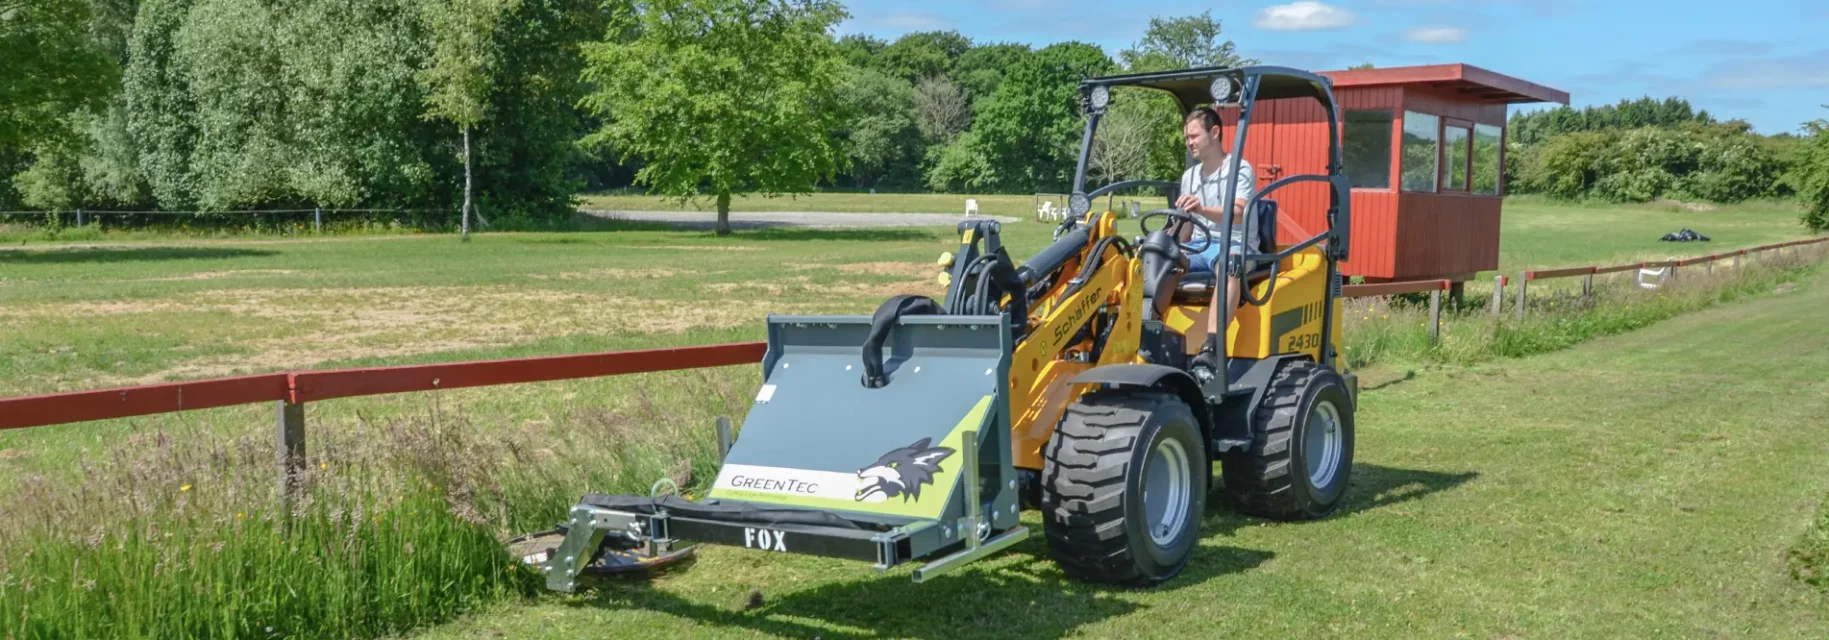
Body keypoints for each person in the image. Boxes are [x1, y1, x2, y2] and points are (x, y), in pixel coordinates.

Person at [1174, 107, 1256, 363]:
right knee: (1156, 259)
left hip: (1237, 245)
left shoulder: (1240, 169)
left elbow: (1238, 213)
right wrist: (1166, 246)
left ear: (1215, 132)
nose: (1189, 143)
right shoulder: (1190, 176)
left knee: (1229, 263)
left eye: (1195, 136)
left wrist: (1201, 208)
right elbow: (1187, 227)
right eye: (1187, 138)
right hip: (1200, 246)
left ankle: (1212, 345)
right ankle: (1149, 332)